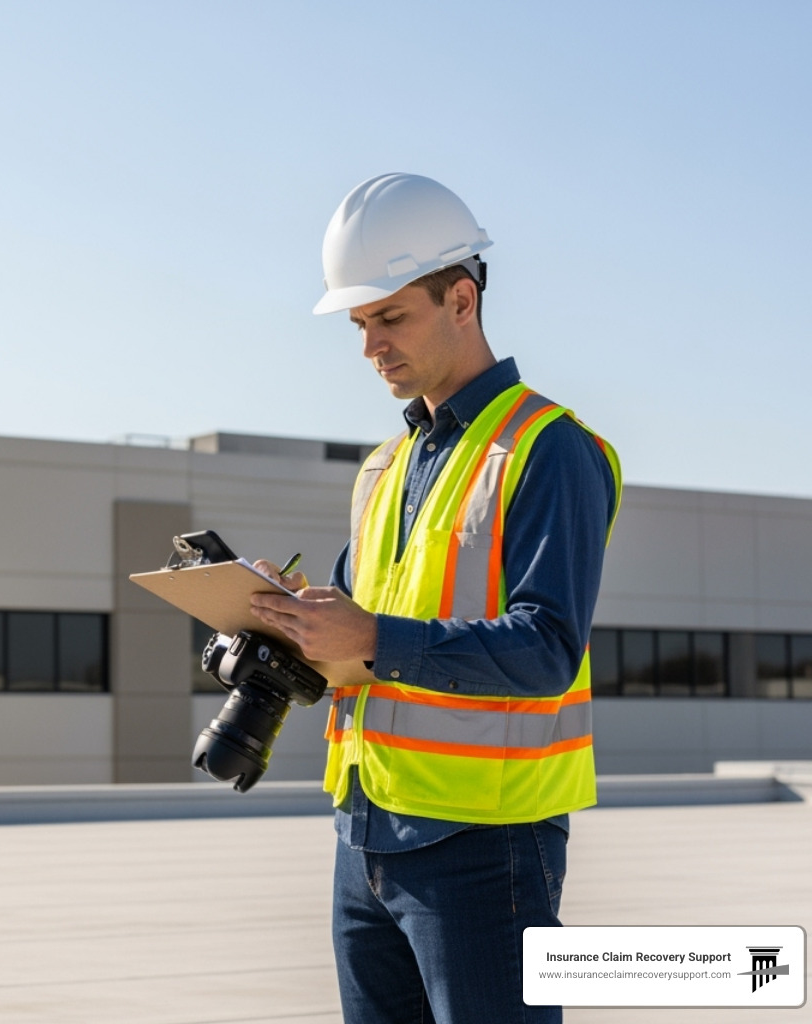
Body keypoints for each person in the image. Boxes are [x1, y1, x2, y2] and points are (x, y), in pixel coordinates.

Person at [248, 173, 621, 1024]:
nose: (371, 346)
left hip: (485, 849)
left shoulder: (549, 449)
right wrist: (283, 620)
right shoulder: (384, 467)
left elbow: (545, 648)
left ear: (462, 297)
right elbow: (357, 641)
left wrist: (374, 633)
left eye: (390, 317)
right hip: (365, 838)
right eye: (359, 324)